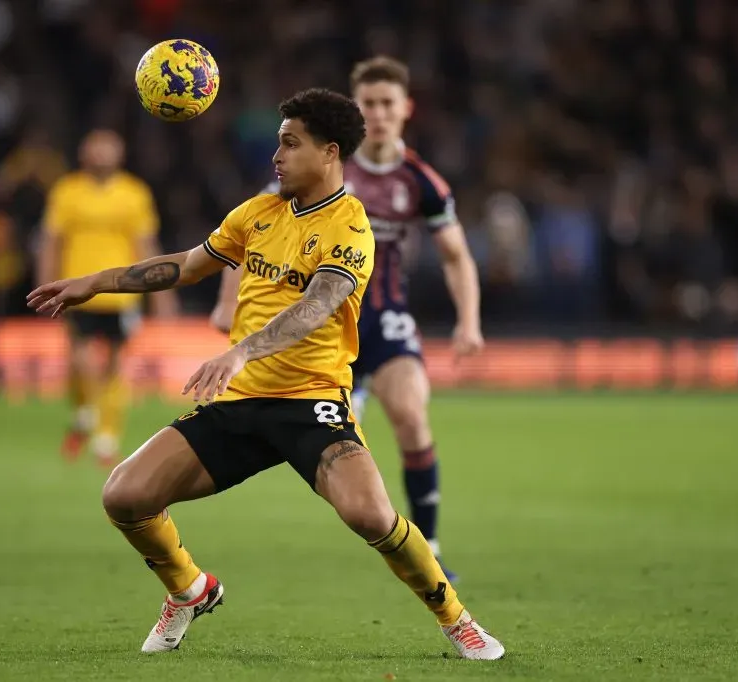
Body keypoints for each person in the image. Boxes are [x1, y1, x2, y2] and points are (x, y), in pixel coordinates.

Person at [28, 88, 504, 660]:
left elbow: (317, 306)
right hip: (240, 404)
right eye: (277, 143)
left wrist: (239, 352)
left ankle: (457, 619)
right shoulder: (256, 213)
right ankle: (189, 590)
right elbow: (186, 265)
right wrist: (97, 281)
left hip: (310, 403)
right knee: (124, 495)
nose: (275, 155)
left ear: (329, 152)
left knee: (370, 515)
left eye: (289, 143)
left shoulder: (351, 224)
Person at [211, 57, 484, 582]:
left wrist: (468, 321)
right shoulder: (323, 166)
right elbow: (251, 231)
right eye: (369, 104)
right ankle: (375, 527)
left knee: (410, 416)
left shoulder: (421, 182)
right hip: (323, 330)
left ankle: (429, 542)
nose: (379, 114)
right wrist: (228, 302)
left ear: (406, 110)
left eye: (388, 104)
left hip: (385, 320)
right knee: (333, 447)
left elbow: (455, 255)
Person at [38, 129, 177, 466]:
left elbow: (145, 243)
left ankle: (105, 437)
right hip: (78, 287)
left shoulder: (134, 193)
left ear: (121, 153)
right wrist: (46, 279)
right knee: (80, 361)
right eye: (95, 147)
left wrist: (160, 293)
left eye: (108, 147)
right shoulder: (67, 191)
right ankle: (86, 411)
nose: (102, 153)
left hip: (121, 292)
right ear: (84, 152)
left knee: (115, 365)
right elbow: (52, 240)